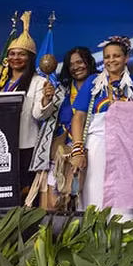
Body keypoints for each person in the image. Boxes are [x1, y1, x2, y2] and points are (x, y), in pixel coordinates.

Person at [69, 36, 133, 220]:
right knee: (94, 197)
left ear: (126, 58)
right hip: (97, 147)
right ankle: (93, 236)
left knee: (124, 199)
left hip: (126, 150)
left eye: (116, 56)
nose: (111, 60)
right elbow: (78, 117)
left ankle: (124, 236)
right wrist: (78, 150)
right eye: (107, 57)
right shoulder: (93, 82)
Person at [0, 12, 58, 193]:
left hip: (23, 145)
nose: (16, 58)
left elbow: (38, 115)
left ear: (30, 58)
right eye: (12, 54)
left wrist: (47, 99)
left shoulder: (38, 82)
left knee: (20, 190)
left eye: (21, 54)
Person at [27, 46, 99, 210]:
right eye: (71, 64)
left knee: (86, 202)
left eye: (80, 62)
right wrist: (47, 99)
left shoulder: (100, 88)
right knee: (53, 205)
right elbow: (42, 116)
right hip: (62, 156)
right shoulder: (61, 91)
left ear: (89, 62)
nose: (76, 67)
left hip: (93, 152)